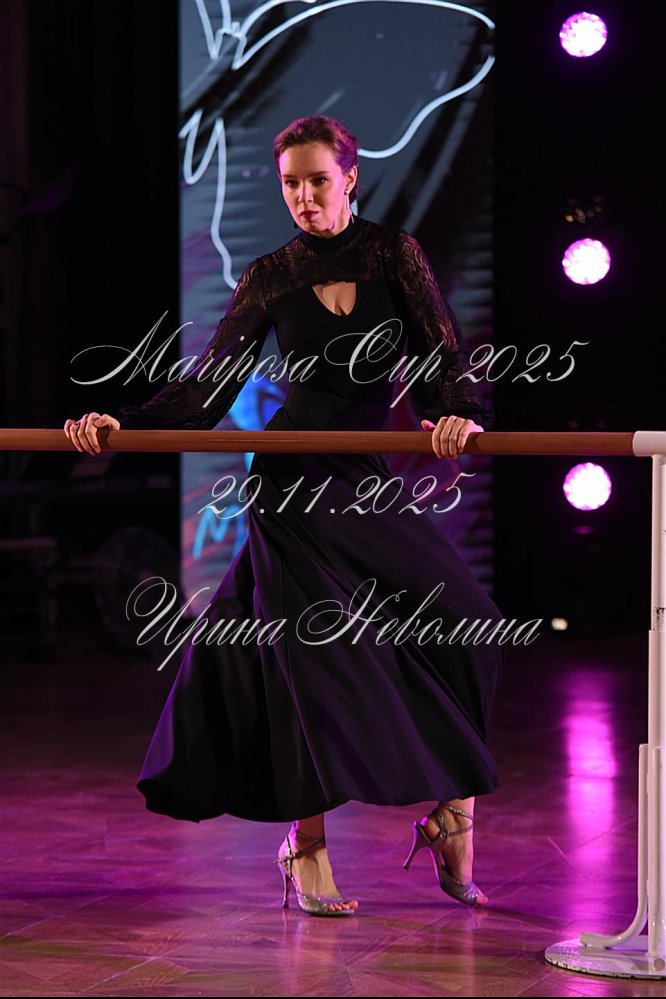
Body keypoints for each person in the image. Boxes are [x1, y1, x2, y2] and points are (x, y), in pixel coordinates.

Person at [63, 114, 505, 917]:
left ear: (350, 179)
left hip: (360, 481)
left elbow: (444, 355)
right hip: (289, 489)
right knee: (311, 664)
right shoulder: (272, 274)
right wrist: (120, 422)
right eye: (290, 184)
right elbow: (208, 388)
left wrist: (459, 413)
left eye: (317, 180)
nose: (303, 196)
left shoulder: (393, 255)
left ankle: (453, 817)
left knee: (465, 619)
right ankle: (306, 847)